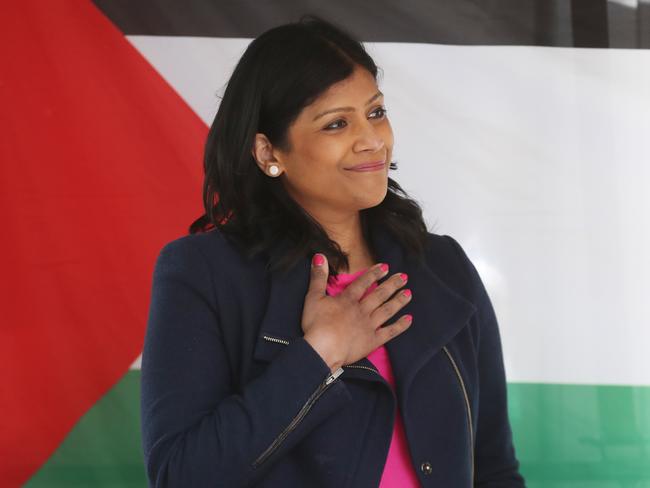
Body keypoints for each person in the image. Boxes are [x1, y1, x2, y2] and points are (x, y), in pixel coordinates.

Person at [140, 14, 526, 488]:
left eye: (376, 112)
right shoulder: (203, 273)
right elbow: (179, 476)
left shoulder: (441, 266)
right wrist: (320, 355)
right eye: (337, 123)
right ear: (268, 153)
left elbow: (494, 469)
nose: (371, 140)